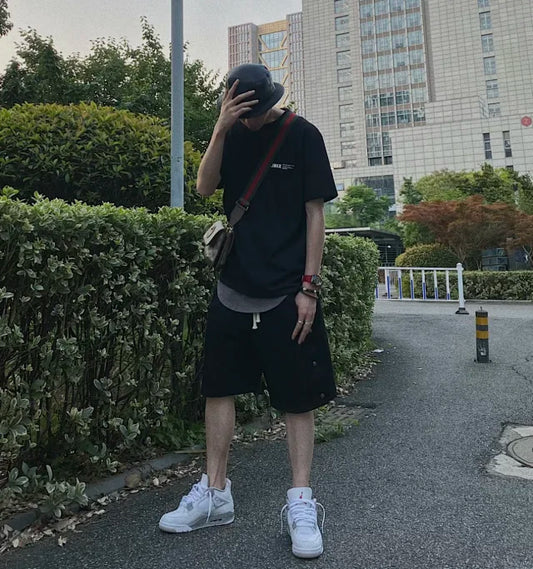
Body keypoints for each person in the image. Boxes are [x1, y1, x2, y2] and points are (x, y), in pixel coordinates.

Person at [159, 63, 338, 559]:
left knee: (296, 398)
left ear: (271, 101)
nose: (251, 120)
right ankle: (215, 494)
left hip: (287, 290)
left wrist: (309, 287)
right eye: (242, 112)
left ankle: (300, 501)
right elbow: (203, 187)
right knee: (218, 389)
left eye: (255, 112)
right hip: (232, 287)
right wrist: (220, 127)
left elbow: (315, 215)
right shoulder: (232, 134)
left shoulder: (303, 135)